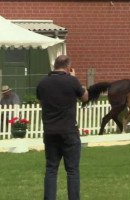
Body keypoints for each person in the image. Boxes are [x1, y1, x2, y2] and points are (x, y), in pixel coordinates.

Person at [36, 55, 88, 200]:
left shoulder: (43, 83)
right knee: (72, 170)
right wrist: (75, 78)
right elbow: (85, 97)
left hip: (50, 131)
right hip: (69, 131)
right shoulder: (72, 81)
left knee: (51, 169)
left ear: (54, 65)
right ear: (68, 66)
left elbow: (41, 102)